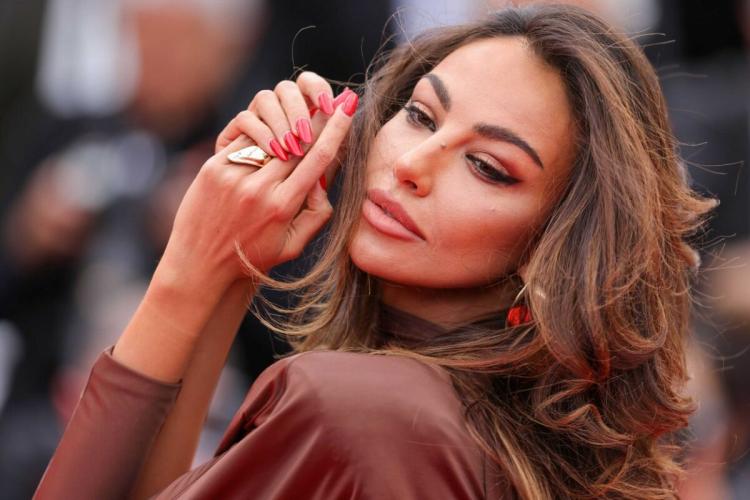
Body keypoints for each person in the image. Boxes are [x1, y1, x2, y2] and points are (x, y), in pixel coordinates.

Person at [34, 4, 716, 499]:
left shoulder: (352, 408)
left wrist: (187, 266)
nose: (413, 163)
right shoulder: (485, 435)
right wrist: (228, 269)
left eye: (488, 167)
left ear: (558, 249)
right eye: (419, 115)